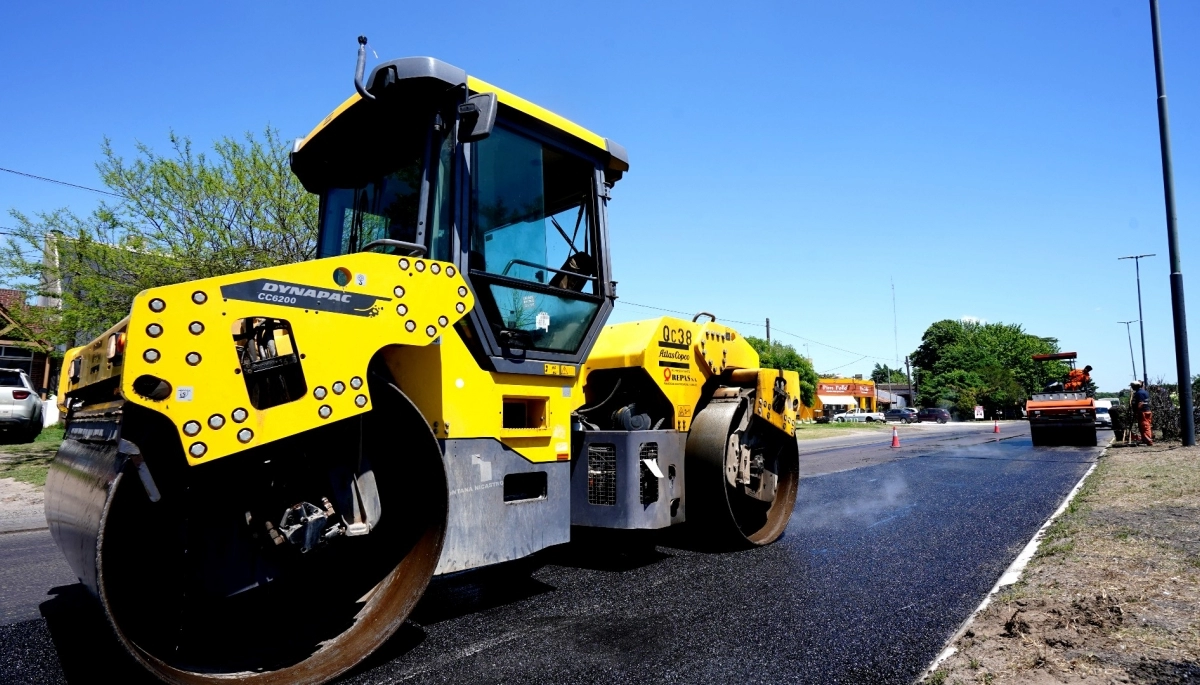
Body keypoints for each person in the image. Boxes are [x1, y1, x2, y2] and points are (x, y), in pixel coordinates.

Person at [1131, 380, 1152, 445]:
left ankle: (1148, 440)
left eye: (1132, 386)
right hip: (1146, 411)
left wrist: (1137, 411)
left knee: (1145, 426)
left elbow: (1140, 403)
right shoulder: (1144, 392)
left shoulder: (1139, 393)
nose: (1132, 388)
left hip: (1143, 412)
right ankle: (1145, 440)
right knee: (1144, 426)